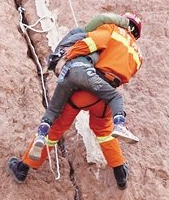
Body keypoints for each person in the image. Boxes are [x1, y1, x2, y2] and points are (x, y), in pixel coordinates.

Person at [29, 13, 143, 161]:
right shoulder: (139, 56)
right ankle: (120, 169)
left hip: (83, 87)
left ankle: (25, 165)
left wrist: (65, 58)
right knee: (103, 129)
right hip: (105, 95)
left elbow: (90, 43)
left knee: (57, 124)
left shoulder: (112, 29)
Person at [8, 90, 131, 190]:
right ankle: (120, 175)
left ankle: (23, 169)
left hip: (80, 94)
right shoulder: (130, 59)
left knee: (55, 128)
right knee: (104, 131)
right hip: (106, 96)